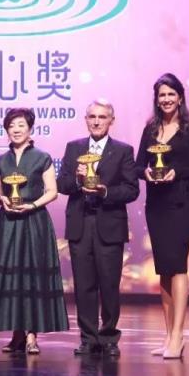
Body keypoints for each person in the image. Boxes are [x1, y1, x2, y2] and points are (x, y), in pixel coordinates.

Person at [136, 73, 189, 359]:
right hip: (156, 205)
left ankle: (179, 335)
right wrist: (147, 173)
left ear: (180, 97)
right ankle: (169, 335)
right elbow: (137, 166)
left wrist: (177, 172)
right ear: (156, 99)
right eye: (162, 95)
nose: (167, 99)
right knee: (164, 270)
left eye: (171, 94)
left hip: (181, 203)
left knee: (178, 266)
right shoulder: (150, 130)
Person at [0, 108, 69, 354]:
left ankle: (31, 335)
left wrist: (32, 205)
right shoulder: (0, 161)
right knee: (12, 276)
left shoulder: (42, 157)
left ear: (30, 129)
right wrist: (2, 200)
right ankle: (17, 334)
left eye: (21, 125)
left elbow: (52, 191)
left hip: (34, 221)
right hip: (8, 223)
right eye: (11, 125)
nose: (16, 130)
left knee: (32, 276)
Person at [57, 99, 139, 357]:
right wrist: (78, 179)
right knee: (84, 285)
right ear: (86, 119)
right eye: (92, 116)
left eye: (102, 117)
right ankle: (88, 338)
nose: (96, 121)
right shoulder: (74, 148)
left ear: (111, 121)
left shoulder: (123, 151)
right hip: (80, 224)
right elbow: (62, 184)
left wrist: (106, 192)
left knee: (109, 284)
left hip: (109, 224)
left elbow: (132, 189)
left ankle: (109, 337)